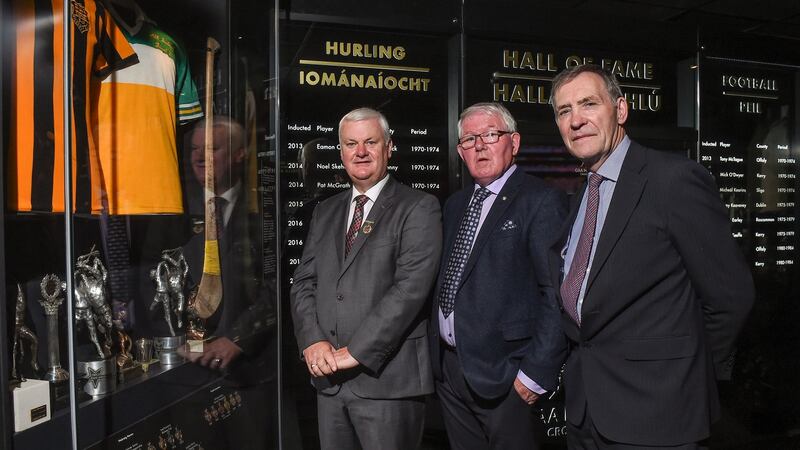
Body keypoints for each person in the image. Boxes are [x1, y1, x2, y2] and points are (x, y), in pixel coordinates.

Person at [549, 64, 755, 449]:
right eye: (564, 111)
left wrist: (686, 376)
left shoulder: (672, 179)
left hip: (659, 416)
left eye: (589, 104)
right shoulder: (582, 196)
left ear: (621, 110)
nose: (576, 120)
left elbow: (730, 297)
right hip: (586, 414)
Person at [290, 107, 442, 450]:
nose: (360, 152)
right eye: (351, 144)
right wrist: (312, 341)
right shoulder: (325, 211)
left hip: (387, 383)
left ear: (389, 147)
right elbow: (303, 283)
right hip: (328, 382)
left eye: (370, 142)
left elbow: (410, 291)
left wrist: (354, 352)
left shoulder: (418, 207)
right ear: (341, 152)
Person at [429, 102, 568, 450]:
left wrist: (534, 375)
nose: (479, 145)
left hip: (507, 378)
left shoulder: (541, 200)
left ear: (514, 142)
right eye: (469, 140)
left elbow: (555, 294)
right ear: (460, 152)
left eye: (490, 135)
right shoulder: (455, 204)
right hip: (452, 373)